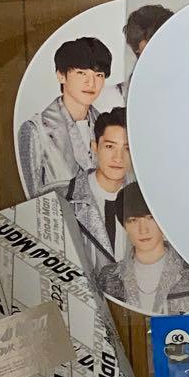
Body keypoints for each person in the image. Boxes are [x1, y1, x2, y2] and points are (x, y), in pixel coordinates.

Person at [97, 183, 189, 314]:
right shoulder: (108, 278)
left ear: (163, 221)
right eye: (133, 220)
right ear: (124, 225)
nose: (143, 230)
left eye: (150, 218)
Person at [18, 35, 113, 196]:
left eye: (99, 75)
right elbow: (31, 198)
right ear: (61, 75)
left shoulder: (109, 127)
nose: (91, 83)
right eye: (81, 73)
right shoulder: (35, 130)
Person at [57, 105, 128, 268]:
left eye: (127, 149)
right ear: (94, 147)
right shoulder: (62, 197)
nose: (118, 158)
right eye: (110, 146)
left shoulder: (147, 202)